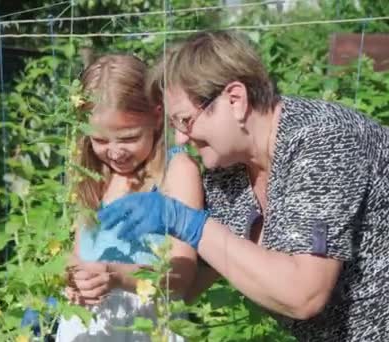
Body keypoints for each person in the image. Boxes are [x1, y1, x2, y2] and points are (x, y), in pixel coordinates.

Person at [98, 31, 389, 341]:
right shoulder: (228, 173)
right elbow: (187, 285)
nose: (181, 139)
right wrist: (109, 274)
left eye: (185, 121)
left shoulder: (324, 141)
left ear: (235, 100)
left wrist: (185, 221)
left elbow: (304, 294)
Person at [55, 54, 204, 341]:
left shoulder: (176, 172)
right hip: (88, 327)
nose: (115, 151)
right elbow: (78, 252)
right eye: (99, 140)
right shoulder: (94, 175)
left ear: (157, 116)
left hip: (147, 325)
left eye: (128, 138)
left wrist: (118, 277)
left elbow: (182, 276)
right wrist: (75, 278)